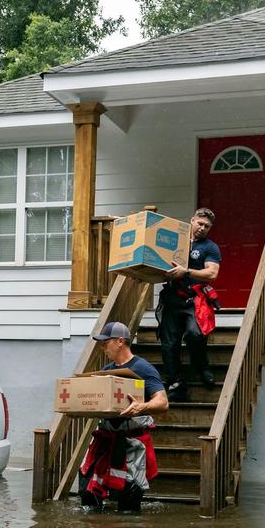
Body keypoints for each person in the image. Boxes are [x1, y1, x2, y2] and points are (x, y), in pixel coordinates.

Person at [77, 321, 170, 512]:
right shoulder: (107, 372)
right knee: (88, 494)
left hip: (132, 442)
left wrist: (141, 407)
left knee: (128, 504)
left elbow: (163, 402)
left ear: (120, 341)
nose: (102, 347)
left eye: (106, 342)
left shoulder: (143, 368)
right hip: (106, 439)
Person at [157, 208, 221, 402]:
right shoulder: (174, 240)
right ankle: (176, 382)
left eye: (206, 226)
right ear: (192, 220)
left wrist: (186, 272)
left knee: (195, 333)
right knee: (169, 343)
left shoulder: (210, 247)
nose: (202, 228)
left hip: (194, 299)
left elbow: (212, 274)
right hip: (171, 298)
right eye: (199, 223)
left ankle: (202, 366)